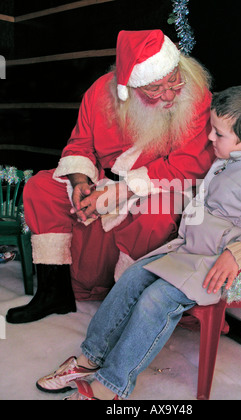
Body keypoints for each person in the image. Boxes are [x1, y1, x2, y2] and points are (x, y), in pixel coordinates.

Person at [35, 84, 241, 400]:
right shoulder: (235, 154)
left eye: (218, 134)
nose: (210, 139)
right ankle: (89, 359)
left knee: (156, 299)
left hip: (221, 265)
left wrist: (238, 251)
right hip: (192, 249)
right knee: (134, 278)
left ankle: (111, 387)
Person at [6, 29, 215, 324]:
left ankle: (124, 299)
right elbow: (80, 144)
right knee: (41, 186)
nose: (169, 95)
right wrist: (80, 181)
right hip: (106, 179)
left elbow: (192, 163)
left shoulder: (195, 94)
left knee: (157, 215)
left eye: (173, 80)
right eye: (155, 88)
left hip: (161, 185)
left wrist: (126, 190)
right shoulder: (101, 92)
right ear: (129, 87)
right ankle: (54, 292)